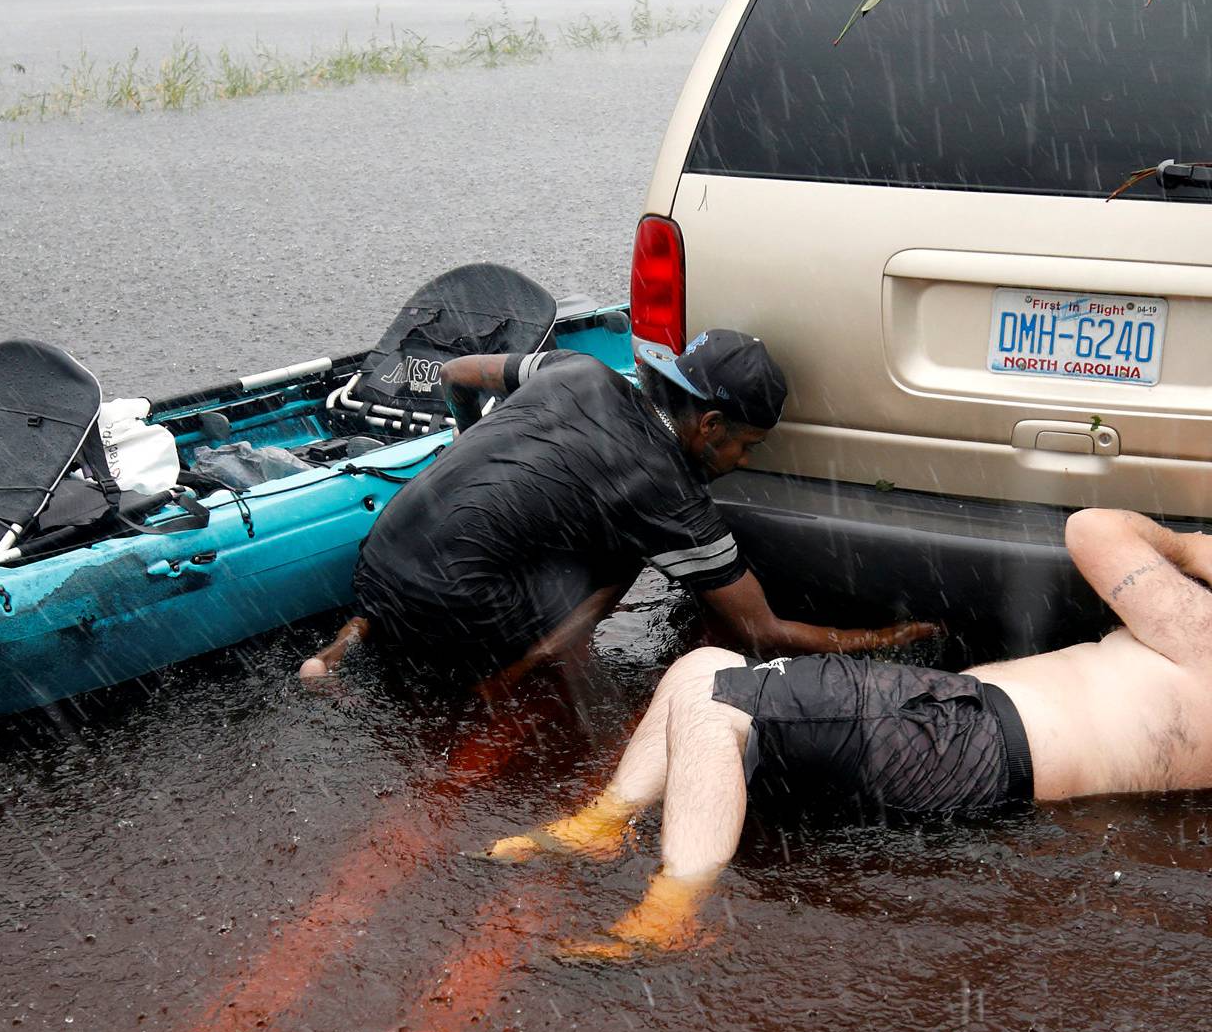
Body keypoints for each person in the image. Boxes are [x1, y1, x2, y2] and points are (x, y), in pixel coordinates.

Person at [488, 506, 1212, 961]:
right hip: (973, 739)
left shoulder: (1204, 635)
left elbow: (1093, 527)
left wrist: (1190, 545)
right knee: (702, 666)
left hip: (966, 730)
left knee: (713, 704)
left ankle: (674, 910)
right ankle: (605, 821)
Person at [300, 328, 932, 695]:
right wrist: (885, 639)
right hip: (458, 607)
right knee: (630, 550)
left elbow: (457, 372)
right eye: (746, 444)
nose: (741, 459)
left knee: (501, 521)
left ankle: (347, 640)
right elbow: (762, 632)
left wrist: (468, 445)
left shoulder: (577, 368)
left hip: (379, 560)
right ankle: (521, 665)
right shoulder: (670, 499)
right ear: (709, 425)